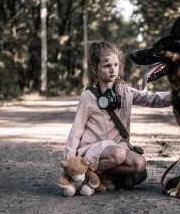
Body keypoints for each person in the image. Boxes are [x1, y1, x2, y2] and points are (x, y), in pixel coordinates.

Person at [63, 41, 171, 190]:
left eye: (115, 65)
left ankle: (102, 175)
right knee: (118, 154)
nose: (113, 70)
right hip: (92, 149)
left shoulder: (124, 91)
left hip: (116, 147)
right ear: (95, 69)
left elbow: (152, 99)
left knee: (139, 164)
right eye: (107, 66)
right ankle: (83, 171)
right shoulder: (88, 96)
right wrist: (69, 162)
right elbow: (76, 130)